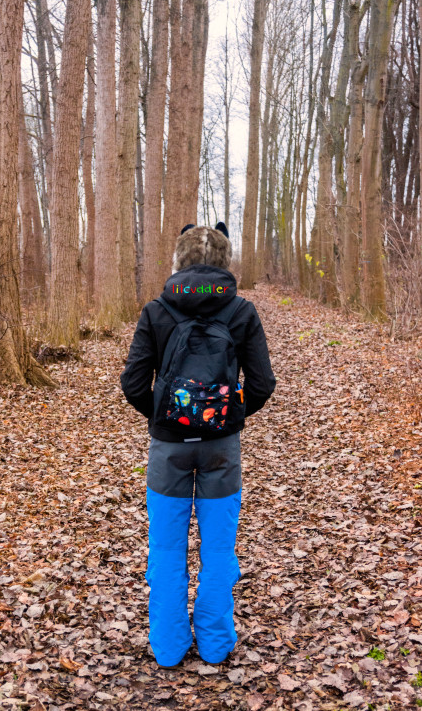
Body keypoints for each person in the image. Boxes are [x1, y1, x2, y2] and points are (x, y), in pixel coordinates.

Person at [120, 223, 276, 668]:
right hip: (222, 450)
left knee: (166, 550)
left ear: (179, 258)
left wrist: (162, 419)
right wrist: (231, 418)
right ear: (225, 261)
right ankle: (214, 645)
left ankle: (168, 650)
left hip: (168, 450)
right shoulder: (242, 311)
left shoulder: (157, 310)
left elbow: (132, 382)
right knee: (218, 551)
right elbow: (263, 383)